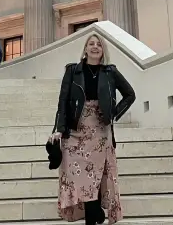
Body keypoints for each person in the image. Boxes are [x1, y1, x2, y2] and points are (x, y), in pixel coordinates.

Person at [50, 34, 135, 225]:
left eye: (99, 44)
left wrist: (113, 113)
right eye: (91, 44)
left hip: (100, 131)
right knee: (77, 175)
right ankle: (94, 210)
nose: (95, 47)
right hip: (75, 130)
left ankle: (92, 214)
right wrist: (59, 128)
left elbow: (130, 94)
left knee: (96, 176)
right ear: (85, 49)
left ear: (103, 50)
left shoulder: (110, 72)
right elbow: (62, 101)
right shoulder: (73, 71)